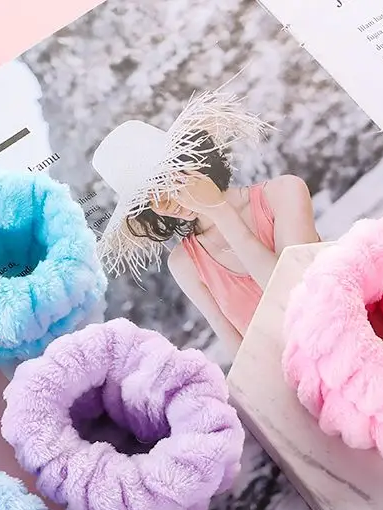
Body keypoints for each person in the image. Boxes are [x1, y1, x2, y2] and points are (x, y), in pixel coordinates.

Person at [127, 134, 319, 352]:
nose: (166, 201)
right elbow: (241, 353)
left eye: (169, 181)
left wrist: (219, 211)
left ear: (193, 161)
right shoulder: (184, 263)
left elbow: (297, 294)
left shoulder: (283, 192)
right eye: (150, 197)